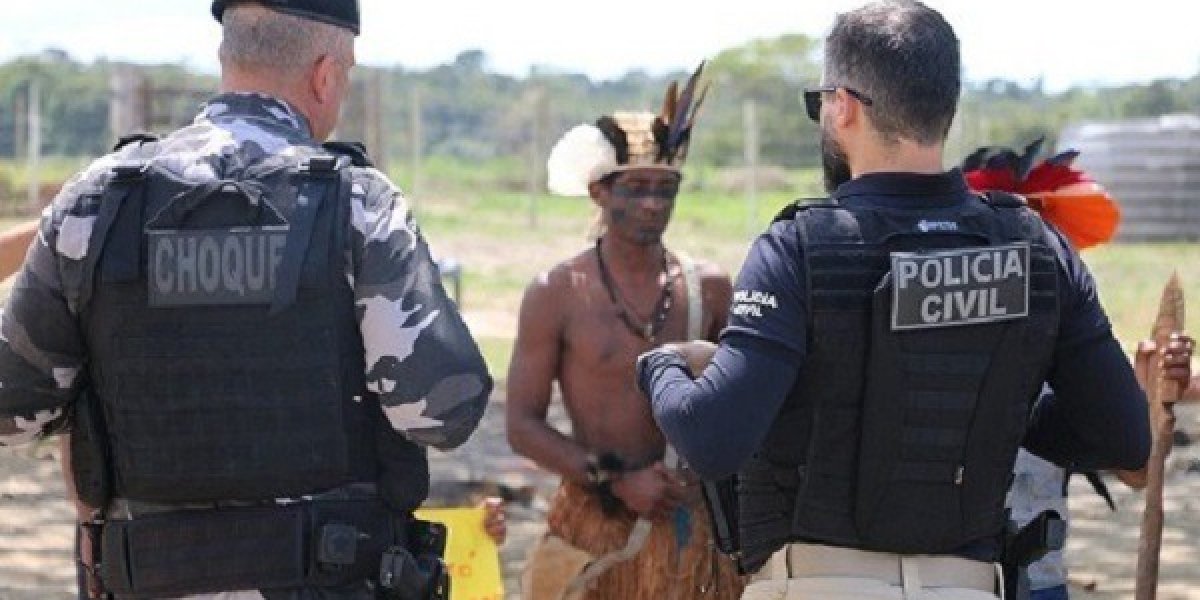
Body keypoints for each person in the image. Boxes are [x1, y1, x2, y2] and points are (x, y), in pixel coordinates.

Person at [637, 2, 1161, 598]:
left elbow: (712, 438)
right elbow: (1123, 439)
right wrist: (1003, 405)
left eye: (821, 105)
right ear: (945, 107)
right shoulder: (1039, 249)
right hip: (970, 586)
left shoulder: (800, 247)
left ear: (843, 107)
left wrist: (663, 366)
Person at [0, 1, 492, 599]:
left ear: (225, 58)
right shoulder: (357, 204)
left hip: (150, 577)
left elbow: (11, 410)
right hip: (326, 575)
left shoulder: (95, 203)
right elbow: (442, 413)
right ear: (325, 74)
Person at [506, 66, 744, 599]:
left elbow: (738, 401)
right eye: (636, 188)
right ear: (598, 192)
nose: (653, 204)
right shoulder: (557, 292)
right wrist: (615, 482)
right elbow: (522, 424)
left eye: (666, 189)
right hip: (594, 523)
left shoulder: (707, 287)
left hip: (690, 527)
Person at [963, 140, 1195, 600]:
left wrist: (1154, 389)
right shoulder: (936, 341)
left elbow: (1134, 471)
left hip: (1041, 581)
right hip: (955, 581)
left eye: (1037, 230)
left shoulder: (1072, 348)